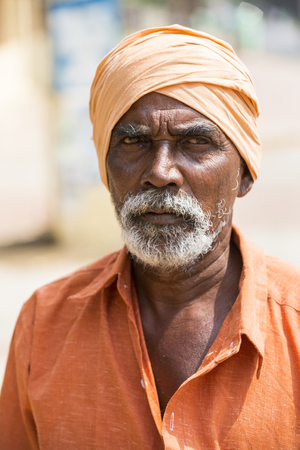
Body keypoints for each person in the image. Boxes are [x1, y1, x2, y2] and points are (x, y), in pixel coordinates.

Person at [0, 25, 299, 449]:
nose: (160, 172)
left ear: (245, 173)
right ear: (106, 171)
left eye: (195, 142)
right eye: (133, 142)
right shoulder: (44, 324)